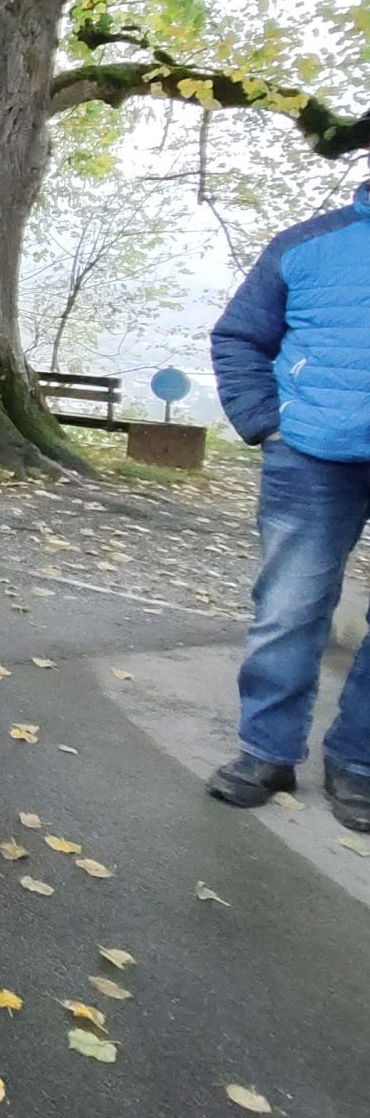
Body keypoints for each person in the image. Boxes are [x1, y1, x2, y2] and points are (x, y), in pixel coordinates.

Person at [205, 178, 370, 832]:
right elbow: (239, 336)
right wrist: (264, 422)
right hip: (310, 454)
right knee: (289, 608)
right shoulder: (306, 245)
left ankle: (358, 762)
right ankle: (266, 752)